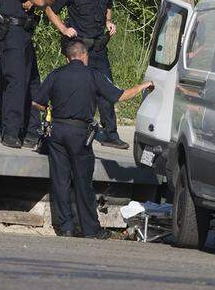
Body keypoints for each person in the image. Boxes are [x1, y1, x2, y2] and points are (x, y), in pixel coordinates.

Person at [32, 38, 153, 238]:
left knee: (60, 181)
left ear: (68, 58)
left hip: (57, 132)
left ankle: (65, 227)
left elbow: (36, 102)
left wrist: (49, 110)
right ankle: (91, 229)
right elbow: (120, 96)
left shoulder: (56, 74)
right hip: (80, 134)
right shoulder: (93, 75)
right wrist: (143, 86)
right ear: (84, 55)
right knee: (83, 182)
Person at [0, 0, 71, 149]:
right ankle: (11, 132)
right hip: (12, 34)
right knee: (16, 83)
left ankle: (30, 131)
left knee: (33, 83)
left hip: (24, 35)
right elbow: (40, 0)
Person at [47, 0, 126, 148]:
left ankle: (110, 134)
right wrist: (63, 29)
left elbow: (108, 7)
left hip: (99, 48)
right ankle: (72, 128)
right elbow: (51, 9)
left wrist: (108, 22)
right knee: (77, 89)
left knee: (106, 89)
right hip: (79, 49)